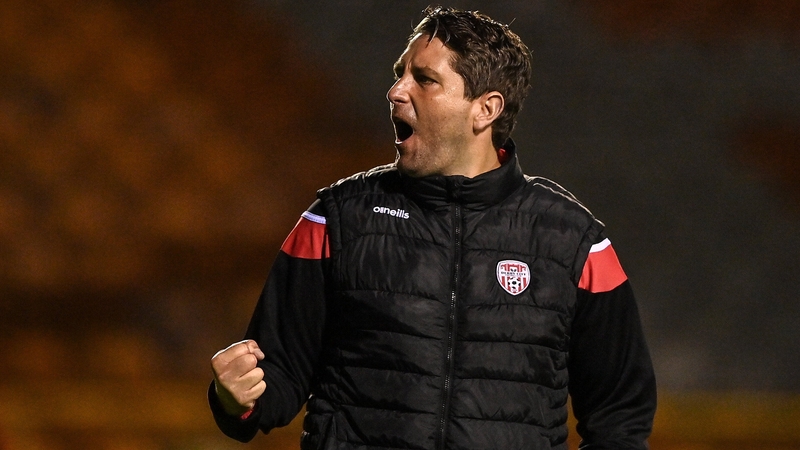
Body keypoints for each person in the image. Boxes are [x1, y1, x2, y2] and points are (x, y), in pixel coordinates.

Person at [209, 6, 656, 449]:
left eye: (424, 79)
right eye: (400, 73)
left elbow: (619, 416)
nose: (396, 91)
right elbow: (275, 381)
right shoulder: (336, 220)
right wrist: (236, 397)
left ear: (485, 109)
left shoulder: (574, 241)